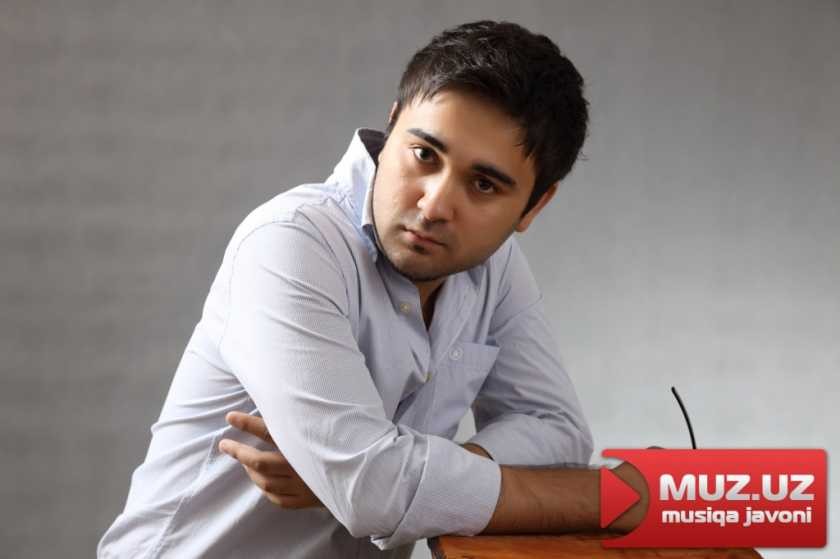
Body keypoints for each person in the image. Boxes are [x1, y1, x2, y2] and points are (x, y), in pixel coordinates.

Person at [98, 20, 646, 559]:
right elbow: (370, 489)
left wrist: (391, 476)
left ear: (533, 206)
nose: (434, 205)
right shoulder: (290, 242)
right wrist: (621, 498)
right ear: (392, 125)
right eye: (424, 155)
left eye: (483, 184)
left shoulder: (493, 265)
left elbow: (557, 432)